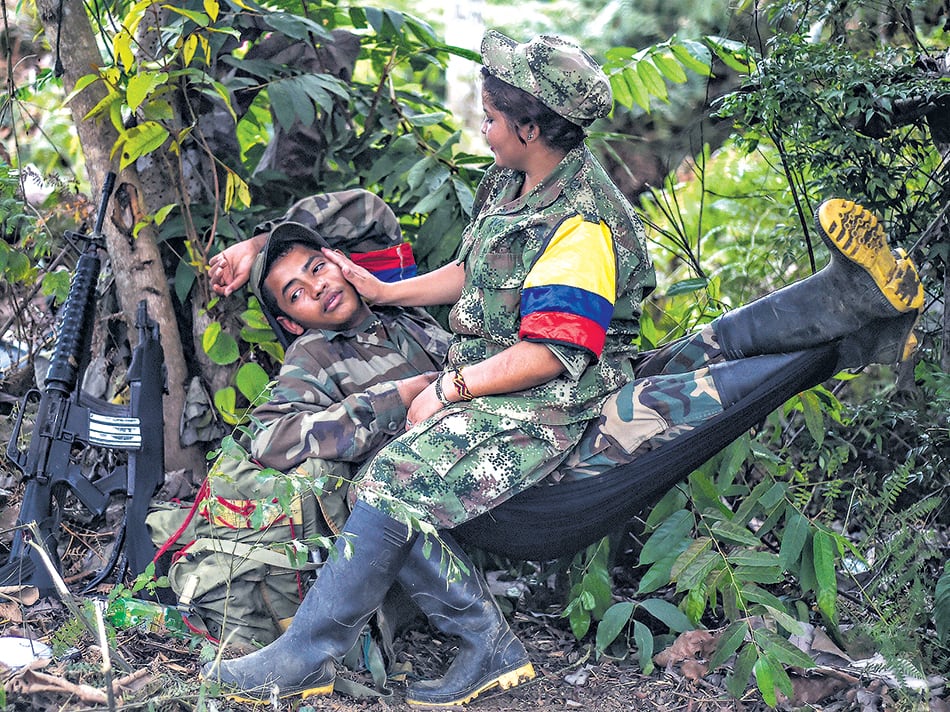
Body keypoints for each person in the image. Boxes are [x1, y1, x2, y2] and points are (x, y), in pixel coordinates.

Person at [203, 29, 924, 707]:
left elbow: (549, 354)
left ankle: (329, 654)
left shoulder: (580, 226)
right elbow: (478, 270)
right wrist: (389, 291)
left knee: (391, 481)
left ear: (532, 128)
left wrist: (447, 388)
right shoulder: (510, 183)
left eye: (489, 119)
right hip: (518, 368)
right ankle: (850, 298)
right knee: (707, 350)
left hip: (551, 396)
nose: (481, 130)